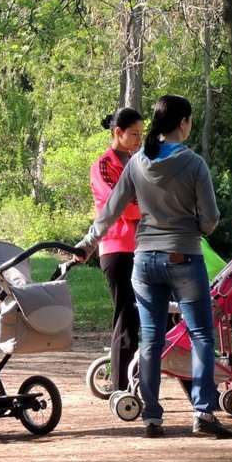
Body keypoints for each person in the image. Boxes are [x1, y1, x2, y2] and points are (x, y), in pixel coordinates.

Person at [74, 94, 232, 440]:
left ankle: (153, 417)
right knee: (202, 335)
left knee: (150, 339)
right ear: (183, 123)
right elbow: (210, 221)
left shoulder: (137, 161)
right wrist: (189, 226)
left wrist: (86, 246)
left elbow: (109, 211)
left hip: (143, 260)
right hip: (183, 258)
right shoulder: (193, 164)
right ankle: (203, 413)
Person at [91, 107, 145, 393]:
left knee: (149, 314)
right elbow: (119, 205)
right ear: (118, 133)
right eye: (134, 134)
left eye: (141, 134)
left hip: (145, 248)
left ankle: (140, 376)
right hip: (116, 249)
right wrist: (149, 209)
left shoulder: (138, 162)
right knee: (126, 315)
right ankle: (120, 386)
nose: (139, 139)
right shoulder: (103, 165)